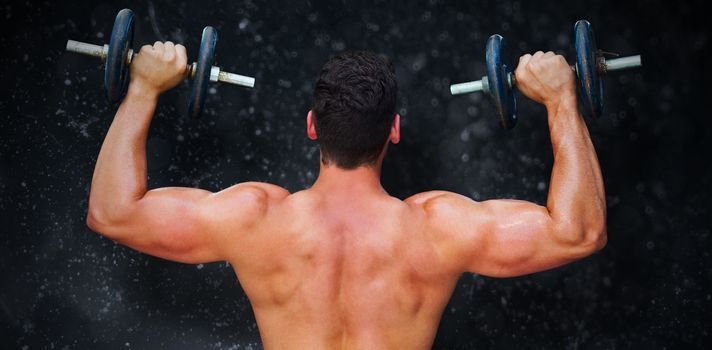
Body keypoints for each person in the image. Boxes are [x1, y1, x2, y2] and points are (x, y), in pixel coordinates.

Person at [86, 41, 606, 349]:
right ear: (394, 130)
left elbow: (112, 212)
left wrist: (143, 89)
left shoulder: (254, 219)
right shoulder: (438, 230)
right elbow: (578, 232)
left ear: (312, 126)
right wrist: (561, 98)